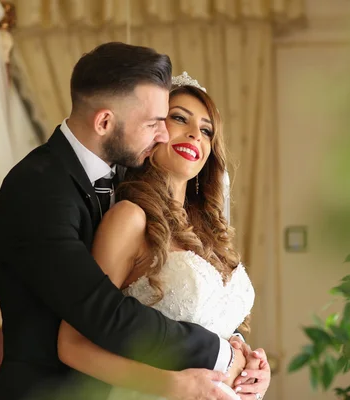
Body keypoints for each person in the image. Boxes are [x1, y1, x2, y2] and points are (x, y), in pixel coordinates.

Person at [0, 42, 262, 400]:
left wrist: (242, 355)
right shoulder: (38, 189)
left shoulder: (126, 181)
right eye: (156, 123)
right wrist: (220, 355)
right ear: (104, 121)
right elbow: (105, 313)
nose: (164, 134)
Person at [55, 72, 272, 400]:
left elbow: (216, 329)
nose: (194, 134)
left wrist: (251, 368)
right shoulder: (130, 220)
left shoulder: (210, 232)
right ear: (152, 129)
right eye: (179, 118)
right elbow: (72, 345)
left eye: (206, 130)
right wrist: (173, 386)